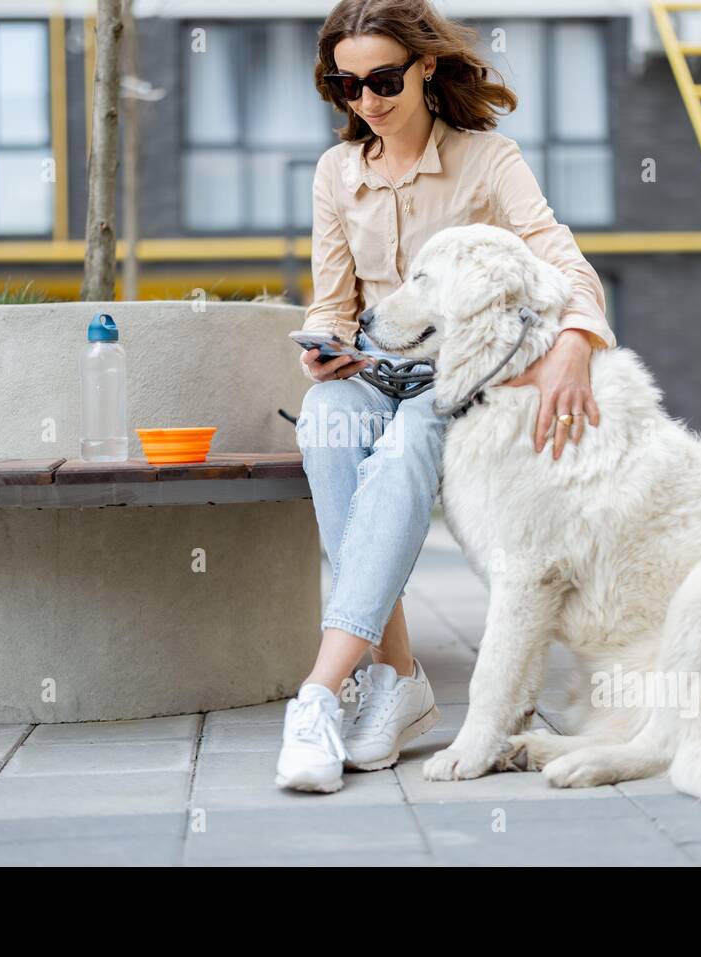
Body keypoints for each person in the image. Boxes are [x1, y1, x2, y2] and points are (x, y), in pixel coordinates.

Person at [278, 0, 617, 793]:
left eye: (385, 79)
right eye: (347, 84)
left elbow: (569, 269)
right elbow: (334, 300)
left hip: (459, 378)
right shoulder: (337, 173)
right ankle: (395, 674)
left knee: (401, 451)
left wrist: (574, 346)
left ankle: (323, 692)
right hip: (367, 369)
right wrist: (322, 348)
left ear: (426, 66)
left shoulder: (488, 161)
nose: (368, 100)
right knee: (324, 429)